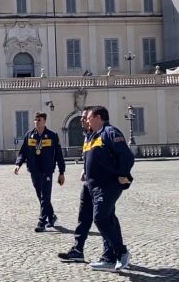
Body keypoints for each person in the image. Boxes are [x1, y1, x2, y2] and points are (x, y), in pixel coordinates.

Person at [83, 105, 134, 271]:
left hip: (108, 184)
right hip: (94, 185)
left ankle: (121, 252)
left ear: (98, 117)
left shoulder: (110, 132)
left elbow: (126, 155)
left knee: (100, 218)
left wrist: (123, 173)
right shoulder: (93, 135)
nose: (87, 120)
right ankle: (109, 257)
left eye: (89, 117)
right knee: (108, 218)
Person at [14, 111, 65, 232]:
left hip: (47, 170)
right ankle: (51, 216)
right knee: (40, 195)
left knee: (45, 196)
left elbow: (58, 154)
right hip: (34, 170)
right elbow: (23, 152)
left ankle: (42, 222)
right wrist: (18, 164)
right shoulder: (30, 135)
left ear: (45, 121)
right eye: (35, 120)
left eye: (39, 120)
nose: (37, 122)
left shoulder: (52, 135)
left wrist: (61, 172)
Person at [58, 107, 96, 261]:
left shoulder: (104, 135)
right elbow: (89, 156)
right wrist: (83, 168)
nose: (82, 120)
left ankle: (114, 252)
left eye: (85, 117)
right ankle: (78, 249)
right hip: (88, 183)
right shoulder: (88, 136)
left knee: (104, 219)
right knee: (83, 217)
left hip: (101, 184)